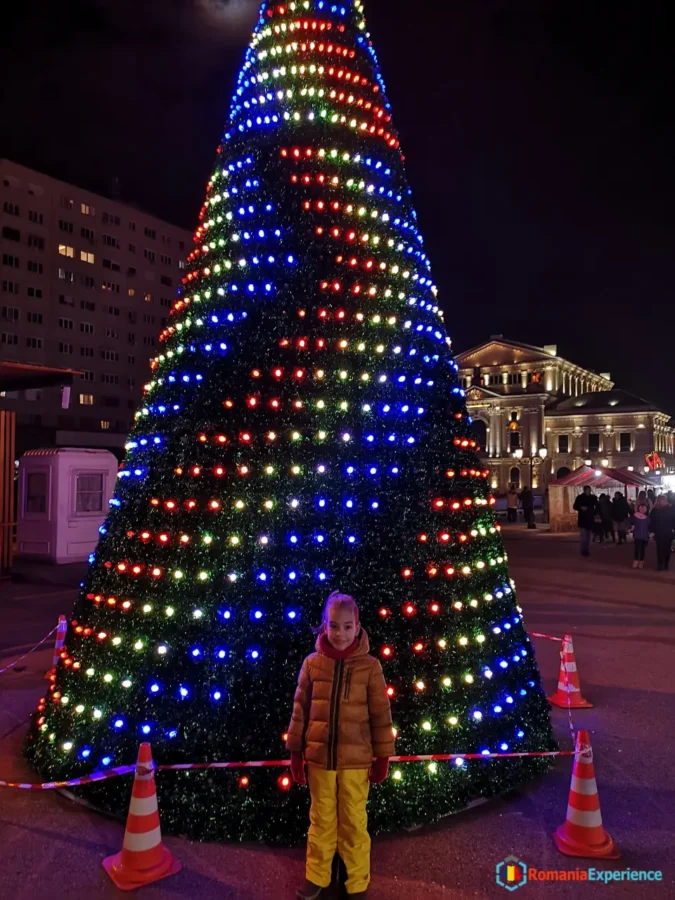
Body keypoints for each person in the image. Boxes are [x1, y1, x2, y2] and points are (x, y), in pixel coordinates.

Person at [287, 591, 395, 899]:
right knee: (321, 819)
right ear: (324, 626)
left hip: (356, 762)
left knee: (353, 822)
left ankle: (356, 881)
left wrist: (382, 757)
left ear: (358, 625)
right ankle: (317, 876)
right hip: (320, 759)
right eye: (334, 626)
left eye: (348, 626)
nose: (340, 634)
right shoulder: (312, 665)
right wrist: (296, 753)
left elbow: (380, 715)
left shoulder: (370, 667)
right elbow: (300, 710)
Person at [649, 495, 675, 571]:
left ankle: (665, 563)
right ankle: (661, 563)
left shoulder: (670, 509)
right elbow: (652, 521)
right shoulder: (655, 510)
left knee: (666, 548)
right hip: (660, 531)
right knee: (660, 548)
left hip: (667, 531)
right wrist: (652, 531)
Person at [573, 486, 599, 557]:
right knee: (584, 536)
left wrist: (594, 512)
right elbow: (575, 506)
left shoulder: (593, 498)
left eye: (589, 490)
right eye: (587, 490)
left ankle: (586, 549)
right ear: (584, 491)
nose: (588, 492)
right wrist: (581, 508)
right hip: (582, 520)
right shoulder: (580, 498)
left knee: (589, 537)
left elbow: (597, 506)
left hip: (590, 520)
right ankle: (584, 550)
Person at [630, 502, 650, 569]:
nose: (642, 509)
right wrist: (631, 527)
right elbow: (631, 522)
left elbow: (650, 526)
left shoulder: (647, 518)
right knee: (637, 549)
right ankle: (636, 561)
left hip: (645, 536)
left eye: (644, 508)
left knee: (642, 549)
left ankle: (641, 561)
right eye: (641, 507)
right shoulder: (635, 516)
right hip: (637, 535)